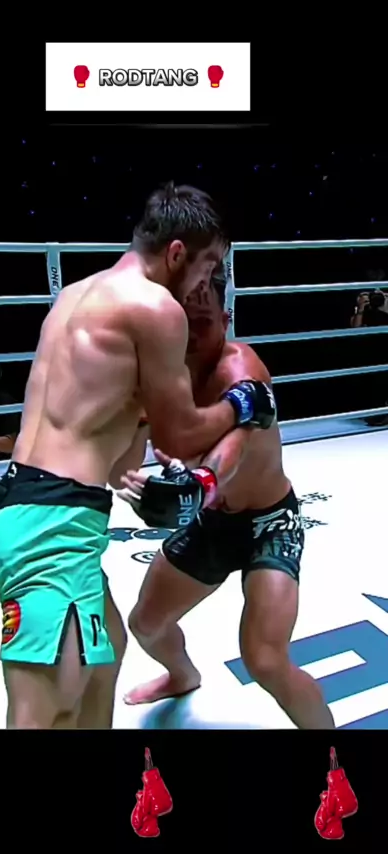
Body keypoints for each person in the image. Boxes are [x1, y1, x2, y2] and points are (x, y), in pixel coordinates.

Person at [0, 183, 275, 730]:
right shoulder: (155, 308)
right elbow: (181, 436)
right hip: (52, 531)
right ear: (177, 253)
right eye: (208, 267)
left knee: (106, 654)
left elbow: (115, 460)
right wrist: (243, 403)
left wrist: (139, 436)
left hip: (23, 508)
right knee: (42, 713)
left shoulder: (78, 294)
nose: (207, 284)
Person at [120, 266, 335, 730]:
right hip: (214, 523)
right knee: (146, 625)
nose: (193, 336)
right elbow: (125, 458)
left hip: (269, 523)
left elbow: (234, 443)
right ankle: (182, 675)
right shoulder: (159, 378)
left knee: (265, 659)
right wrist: (136, 464)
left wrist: (201, 482)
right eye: (183, 322)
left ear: (226, 318)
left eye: (204, 322)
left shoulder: (241, 370)